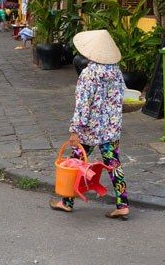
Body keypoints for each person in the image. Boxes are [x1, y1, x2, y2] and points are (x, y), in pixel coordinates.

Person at [49, 29, 129, 219]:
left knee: (76, 163)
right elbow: (121, 98)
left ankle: (67, 202)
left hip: (89, 129)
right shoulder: (116, 72)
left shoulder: (89, 73)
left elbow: (83, 105)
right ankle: (123, 204)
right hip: (110, 128)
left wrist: (75, 129)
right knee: (114, 164)